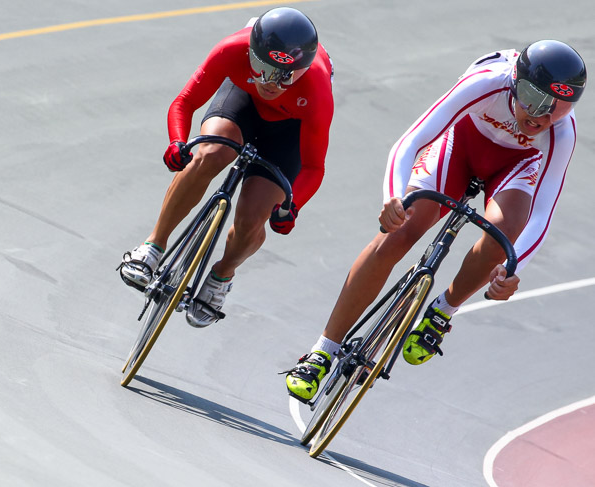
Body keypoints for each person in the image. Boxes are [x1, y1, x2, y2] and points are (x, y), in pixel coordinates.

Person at [286, 40, 586, 402]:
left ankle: (442, 311)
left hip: (515, 165)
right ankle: (322, 351)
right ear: (515, 82)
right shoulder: (486, 83)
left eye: (558, 109)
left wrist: (512, 267)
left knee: (504, 233)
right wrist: (393, 197)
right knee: (399, 233)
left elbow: (542, 211)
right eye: (534, 101)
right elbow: (411, 140)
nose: (540, 117)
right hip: (462, 142)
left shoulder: (561, 132)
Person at [118, 7, 334, 328]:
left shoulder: (317, 88)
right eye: (262, 67)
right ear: (251, 53)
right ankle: (153, 245)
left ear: (301, 70)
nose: (270, 82)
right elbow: (185, 102)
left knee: (253, 216)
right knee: (209, 153)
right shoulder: (232, 49)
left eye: (284, 75)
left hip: (288, 129)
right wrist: (177, 142)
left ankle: (222, 274)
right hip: (242, 102)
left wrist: (292, 206)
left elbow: (314, 167)